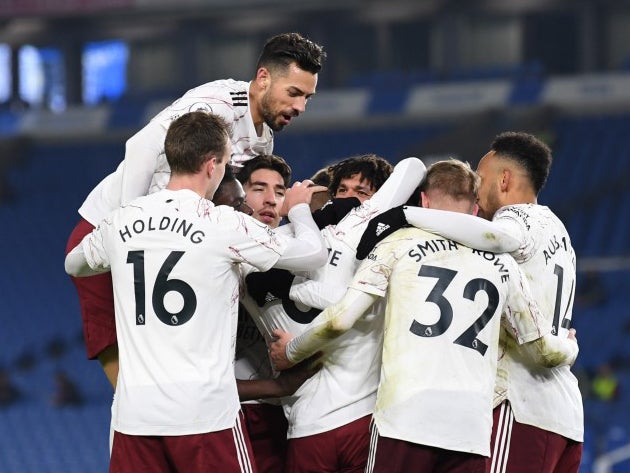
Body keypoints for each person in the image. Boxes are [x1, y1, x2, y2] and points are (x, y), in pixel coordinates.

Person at [269, 159, 579, 473]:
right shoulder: (505, 265)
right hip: (470, 429)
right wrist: (570, 345)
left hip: (404, 419)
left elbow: (340, 319)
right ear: (475, 211)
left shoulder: (396, 244)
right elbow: (542, 347)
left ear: (425, 201)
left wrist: (291, 352)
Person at [64, 111, 328, 473]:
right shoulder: (223, 223)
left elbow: (74, 264)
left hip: (135, 414)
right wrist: (298, 211)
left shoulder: (123, 220)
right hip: (204, 415)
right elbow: (313, 255)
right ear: (212, 164)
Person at [65, 32, 326, 389]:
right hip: (108, 231)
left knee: (165, 373)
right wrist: (128, 221)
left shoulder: (263, 138)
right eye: (293, 93)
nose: (300, 107)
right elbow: (140, 145)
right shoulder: (217, 104)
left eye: (307, 97)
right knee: (132, 386)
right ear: (263, 78)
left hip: (170, 240)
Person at [244, 155, 425, 472]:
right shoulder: (328, 238)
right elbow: (413, 168)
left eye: (362, 192)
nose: (351, 199)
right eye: (342, 190)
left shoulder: (253, 251)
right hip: (309, 417)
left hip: (341, 417)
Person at [475, 132, 584, 473]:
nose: (475, 189)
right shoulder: (558, 230)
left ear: (504, 179)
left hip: (519, 403)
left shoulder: (513, 219)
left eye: (480, 179)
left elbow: (498, 238)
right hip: (562, 413)